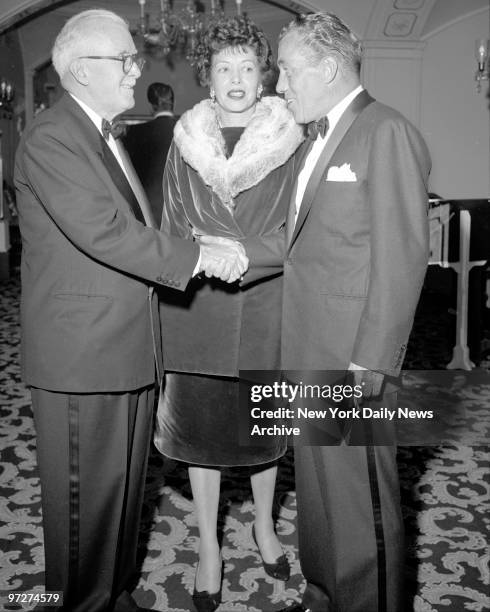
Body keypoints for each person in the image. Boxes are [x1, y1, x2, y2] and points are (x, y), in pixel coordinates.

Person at [14, 9, 248, 612]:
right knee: (83, 506)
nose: (135, 70)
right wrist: (199, 256)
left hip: (126, 348)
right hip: (82, 359)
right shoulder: (52, 136)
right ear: (81, 70)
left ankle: (112, 594)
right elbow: (106, 233)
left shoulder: (101, 133)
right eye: (124, 59)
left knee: (119, 496)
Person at [238, 11, 430, 612]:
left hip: (351, 362)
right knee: (319, 496)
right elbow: (297, 246)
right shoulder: (314, 139)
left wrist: (371, 363)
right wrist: (225, 251)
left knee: (359, 502)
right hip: (305, 353)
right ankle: (325, 593)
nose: (279, 85)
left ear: (326, 67)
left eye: (289, 71)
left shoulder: (385, 130)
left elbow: (403, 258)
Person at [154, 15, 304, 612]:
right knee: (201, 435)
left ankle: (264, 526)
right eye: (224, 68)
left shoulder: (295, 142)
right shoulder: (183, 142)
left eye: (247, 66)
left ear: (263, 75)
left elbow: (300, 227)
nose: (236, 78)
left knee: (263, 433)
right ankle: (209, 548)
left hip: (267, 303)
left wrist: (244, 255)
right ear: (207, 79)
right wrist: (194, 262)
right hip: (199, 306)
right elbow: (168, 223)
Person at [123, 82, 177, 225]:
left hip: (149, 214)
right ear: (173, 103)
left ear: (150, 106)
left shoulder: (134, 133)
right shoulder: (192, 130)